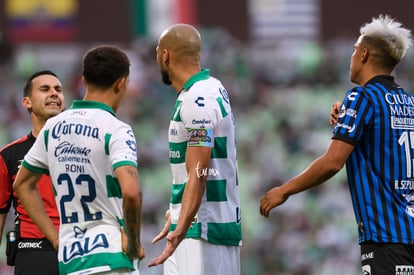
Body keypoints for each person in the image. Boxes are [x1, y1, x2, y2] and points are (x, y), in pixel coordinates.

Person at [259, 15, 414, 274]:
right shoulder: (408, 102)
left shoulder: (361, 97)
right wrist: (348, 117)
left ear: (364, 55)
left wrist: (284, 190)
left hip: (385, 237)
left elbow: (332, 163)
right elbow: (384, 134)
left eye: (354, 50)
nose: (350, 57)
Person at [13, 45, 145, 275]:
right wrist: (133, 243)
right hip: (111, 259)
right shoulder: (116, 129)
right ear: (121, 83)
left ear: (83, 80)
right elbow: (131, 192)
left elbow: (22, 185)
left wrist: (56, 240)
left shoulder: (53, 127)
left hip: (71, 261)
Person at [148, 23, 242, 275]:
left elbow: (199, 171)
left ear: (165, 55)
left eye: (158, 52)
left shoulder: (198, 98)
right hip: (193, 225)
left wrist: (183, 224)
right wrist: (178, 214)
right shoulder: (205, 90)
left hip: (203, 230)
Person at [0, 70, 64, 275]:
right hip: (34, 252)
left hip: (78, 250)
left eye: (58, 89)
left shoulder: (83, 149)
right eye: (45, 89)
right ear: (27, 102)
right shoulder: (8, 155)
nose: (54, 93)